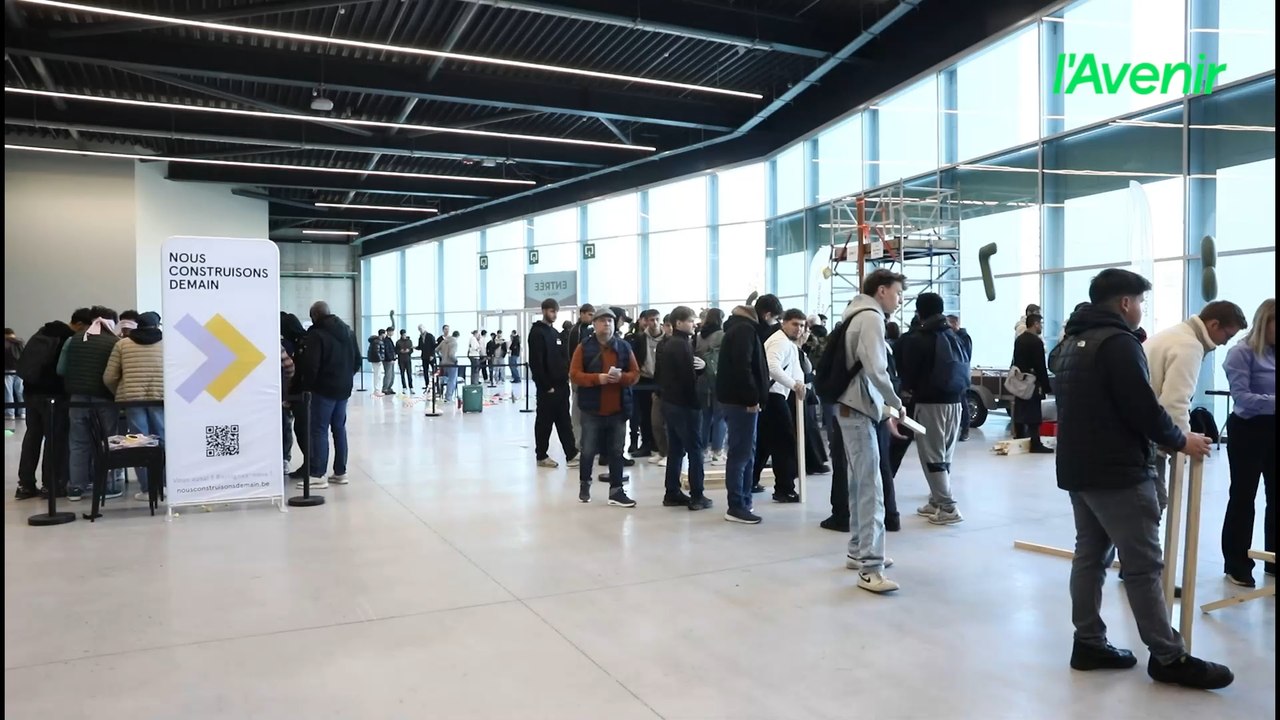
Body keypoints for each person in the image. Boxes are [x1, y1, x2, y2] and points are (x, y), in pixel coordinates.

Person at [1051, 268, 1230, 690]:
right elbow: (1144, 408)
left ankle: (1088, 642)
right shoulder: (1118, 343)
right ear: (1126, 302)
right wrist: (1180, 439)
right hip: (1118, 472)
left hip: (1079, 467)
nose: (1141, 310)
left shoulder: (1069, 343)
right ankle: (1168, 656)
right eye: (1141, 302)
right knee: (1144, 565)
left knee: (1090, 556)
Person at [836, 270, 907, 594]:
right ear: (881, 291)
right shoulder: (871, 318)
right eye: (897, 293)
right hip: (859, 409)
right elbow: (877, 370)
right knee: (871, 488)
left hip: (852, 407)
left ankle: (857, 550)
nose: (899, 299)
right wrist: (895, 403)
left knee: (859, 483)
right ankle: (870, 567)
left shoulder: (854, 313)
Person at [1145, 301, 1248, 511]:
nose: (1225, 343)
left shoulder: (1172, 335)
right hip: (1147, 439)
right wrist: (1181, 441)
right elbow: (1175, 402)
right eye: (1227, 336)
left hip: (1136, 434)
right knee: (1152, 507)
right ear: (1214, 324)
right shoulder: (1189, 345)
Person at [896, 292, 971, 525]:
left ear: (919, 312)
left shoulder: (918, 338)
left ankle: (948, 507)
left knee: (931, 455)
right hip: (956, 402)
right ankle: (936, 500)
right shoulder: (955, 335)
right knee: (944, 454)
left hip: (930, 403)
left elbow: (907, 372)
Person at [1221, 298, 1275, 588]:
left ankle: (1273, 560)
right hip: (1248, 430)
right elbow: (1243, 398)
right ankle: (1237, 564)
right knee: (1243, 496)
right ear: (1266, 323)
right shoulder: (1240, 353)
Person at [569, 307, 639, 507]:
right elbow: (574, 374)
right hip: (592, 410)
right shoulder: (584, 347)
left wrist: (622, 377)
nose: (607, 324)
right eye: (602, 320)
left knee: (616, 451)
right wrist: (597, 379)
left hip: (618, 409)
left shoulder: (624, 347)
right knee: (588, 450)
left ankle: (616, 491)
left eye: (610, 320)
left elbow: (635, 373)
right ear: (594, 324)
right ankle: (585, 484)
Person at [14, 310, 83, 500]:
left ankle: (25, 484)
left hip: (30, 392)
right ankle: (50, 485)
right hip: (54, 395)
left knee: (32, 436)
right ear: (78, 324)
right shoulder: (66, 339)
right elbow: (63, 369)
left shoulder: (41, 333)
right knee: (54, 440)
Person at [57, 306, 121, 501]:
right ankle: (107, 486)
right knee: (108, 441)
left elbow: (61, 369)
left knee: (78, 441)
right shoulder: (114, 342)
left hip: (77, 398)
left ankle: (76, 487)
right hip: (104, 398)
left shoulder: (73, 340)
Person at [296, 302, 360, 490]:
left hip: (323, 390)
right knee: (339, 428)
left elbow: (311, 365)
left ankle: (318, 474)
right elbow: (357, 360)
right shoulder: (348, 332)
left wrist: (307, 387)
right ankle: (340, 472)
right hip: (343, 389)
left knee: (319, 429)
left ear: (316, 315)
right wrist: (346, 377)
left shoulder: (316, 335)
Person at [103, 311, 165, 501]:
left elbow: (109, 377)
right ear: (157, 325)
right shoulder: (167, 344)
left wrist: (120, 392)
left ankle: (147, 489)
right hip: (161, 399)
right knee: (163, 440)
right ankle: (164, 485)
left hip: (132, 401)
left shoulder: (123, 344)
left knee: (139, 442)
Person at [716, 305, 769, 524]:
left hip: (738, 401)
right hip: (741, 403)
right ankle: (737, 505)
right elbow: (743, 367)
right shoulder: (744, 331)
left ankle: (744, 501)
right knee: (741, 454)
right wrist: (751, 398)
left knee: (746, 452)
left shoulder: (738, 330)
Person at [657, 306, 713, 511]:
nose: (693, 324)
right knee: (695, 450)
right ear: (679, 323)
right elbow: (687, 378)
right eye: (690, 321)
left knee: (676, 449)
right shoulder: (681, 345)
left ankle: (672, 492)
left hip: (671, 403)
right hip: (685, 405)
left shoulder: (670, 343)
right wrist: (701, 373)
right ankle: (697, 495)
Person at [758, 309, 807, 504]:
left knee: (765, 443)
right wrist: (795, 385)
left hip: (775, 396)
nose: (799, 329)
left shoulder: (788, 344)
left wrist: (799, 383)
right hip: (774, 396)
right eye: (795, 324)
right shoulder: (780, 342)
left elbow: (796, 369)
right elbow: (772, 368)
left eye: (802, 325)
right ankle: (784, 489)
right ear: (783, 323)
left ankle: (751, 480)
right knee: (784, 443)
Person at [528, 298, 578, 469]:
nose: (554, 314)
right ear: (544, 311)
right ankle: (541, 455)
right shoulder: (537, 333)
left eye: (556, 311)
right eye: (551, 311)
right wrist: (545, 385)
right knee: (545, 422)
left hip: (561, 386)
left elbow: (561, 358)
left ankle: (571, 454)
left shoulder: (555, 333)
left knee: (564, 420)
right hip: (548, 388)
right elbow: (536, 362)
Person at [1012, 313, 1055, 454]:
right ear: (1035, 324)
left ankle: (1019, 438)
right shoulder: (1036, 342)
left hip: (1020, 380)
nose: (1041, 327)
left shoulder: (1019, 340)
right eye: (1040, 324)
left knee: (1020, 408)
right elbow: (1040, 366)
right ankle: (1035, 442)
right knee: (1034, 413)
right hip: (1033, 382)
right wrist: (1046, 385)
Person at [627, 309, 662, 457]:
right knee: (644, 414)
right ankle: (646, 443)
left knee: (660, 416)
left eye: (657, 319)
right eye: (651, 320)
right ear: (646, 321)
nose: (654, 323)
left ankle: (660, 445)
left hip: (661, 380)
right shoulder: (639, 338)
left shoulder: (667, 339)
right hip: (644, 380)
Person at [695, 308, 727, 465]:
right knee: (720, 416)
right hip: (718, 379)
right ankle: (717, 451)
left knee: (705, 417)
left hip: (702, 380)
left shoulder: (699, 336)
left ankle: (703, 450)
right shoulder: (722, 335)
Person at [565, 305, 595, 444]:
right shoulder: (575, 331)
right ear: (581, 314)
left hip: (588, 375)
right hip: (578, 375)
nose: (591, 317)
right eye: (589, 314)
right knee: (577, 409)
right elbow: (573, 355)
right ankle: (578, 441)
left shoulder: (589, 330)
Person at [947, 314, 973, 441]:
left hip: (960, 375)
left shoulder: (964, 338)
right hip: (954, 374)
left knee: (963, 402)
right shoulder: (953, 337)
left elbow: (965, 356)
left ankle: (965, 429)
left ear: (955, 323)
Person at [5, 328, 25, 420]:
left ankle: (10, 413)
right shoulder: (20, 342)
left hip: (7, 371)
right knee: (20, 392)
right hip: (19, 370)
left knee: (8, 392)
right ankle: (23, 412)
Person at [440, 331, 461, 402]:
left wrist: (442, 356)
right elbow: (451, 354)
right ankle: (448, 397)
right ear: (458, 336)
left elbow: (436, 349)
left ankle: (447, 396)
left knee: (447, 379)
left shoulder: (444, 341)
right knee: (452, 380)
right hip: (451, 364)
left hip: (443, 363)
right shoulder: (454, 343)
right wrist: (456, 360)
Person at [367, 330, 387, 397]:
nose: (385, 335)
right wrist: (380, 359)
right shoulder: (378, 341)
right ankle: (377, 391)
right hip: (377, 360)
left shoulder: (375, 341)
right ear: (382, 334)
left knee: (377, 375)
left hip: (375, 360)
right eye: (385, 334)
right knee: (377, 376)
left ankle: (377, 390)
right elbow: (377, 351)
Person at [381, 327, 397, 395]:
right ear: (388, 332)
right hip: (388, 360)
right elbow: (387, 351)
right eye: (392, 331)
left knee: (392, 375)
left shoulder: (389, 339)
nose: (393, 333)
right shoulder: (386, 340)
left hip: (391, 360)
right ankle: (385, 388)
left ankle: (389, 387)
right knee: (388, 374)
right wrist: (390, 359)